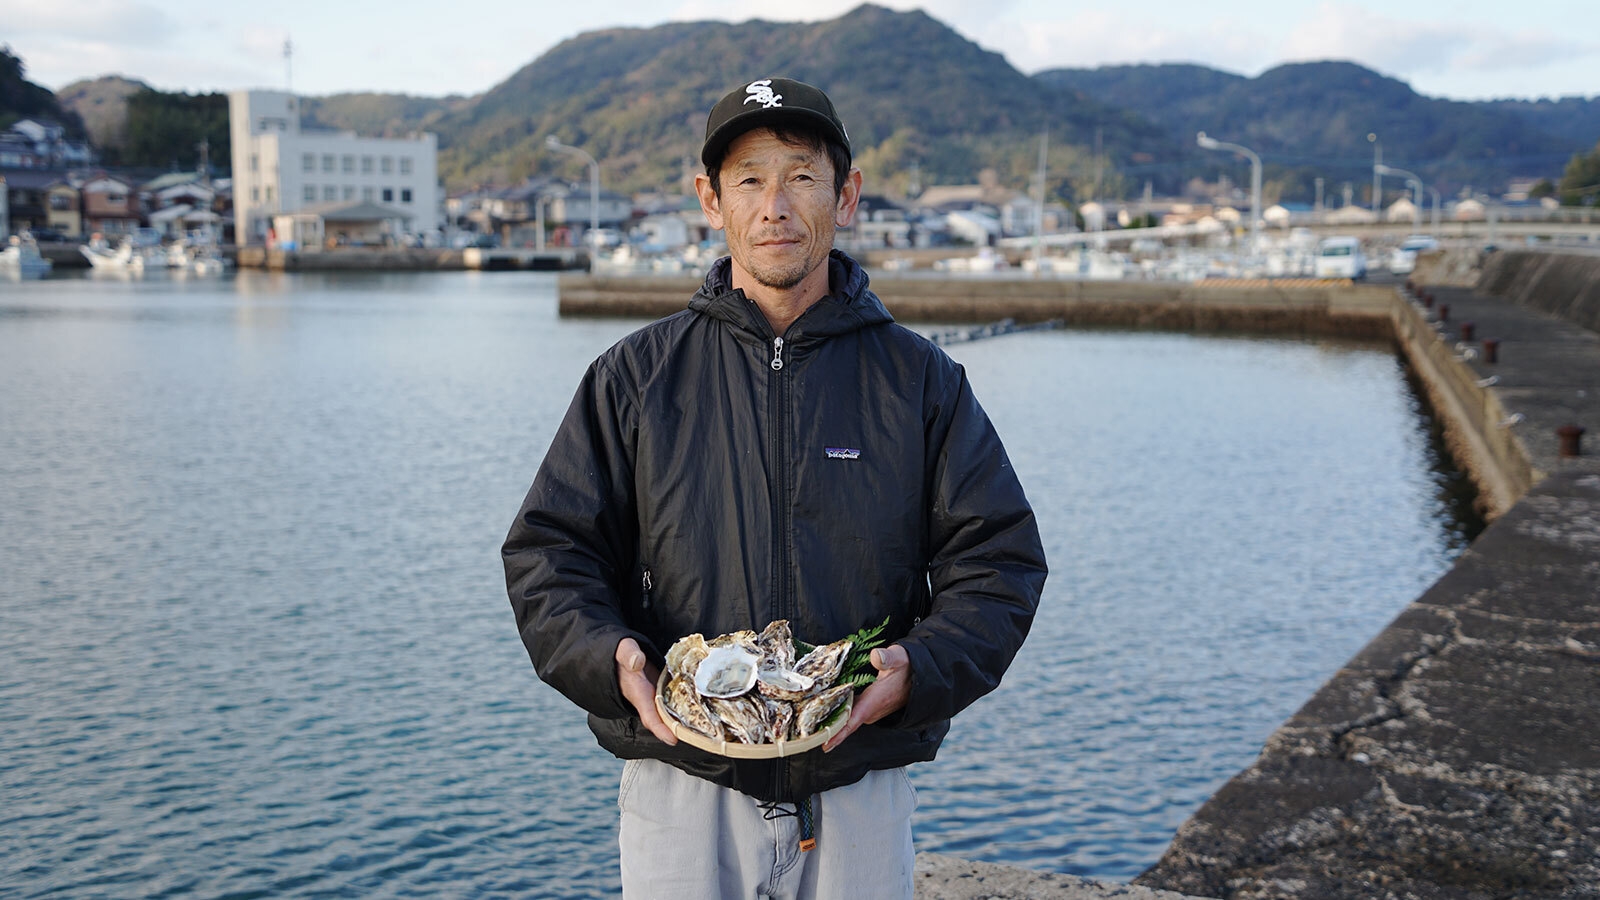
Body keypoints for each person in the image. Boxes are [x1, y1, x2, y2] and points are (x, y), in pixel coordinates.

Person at [503, 76, 1047, 900]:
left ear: (847, 194)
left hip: (858, 777)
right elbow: (550, 552)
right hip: (680, 782)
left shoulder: (921, 381)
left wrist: (919, 667)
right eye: (749, 180)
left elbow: (999, 562)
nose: (775, 205)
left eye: (800, 175)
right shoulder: (635, 378)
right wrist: (606, 658)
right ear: (711, 201)